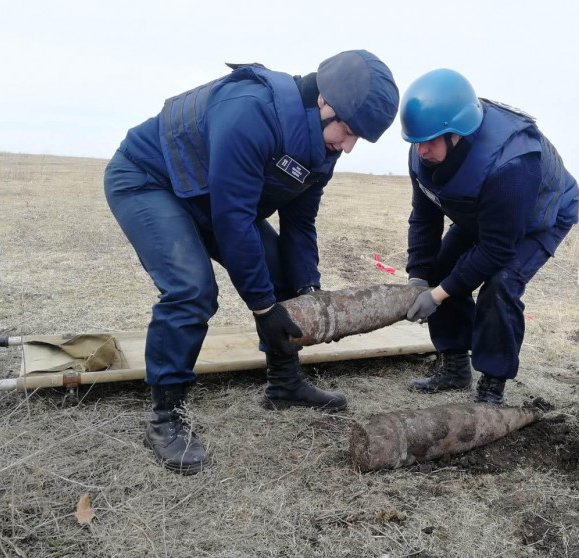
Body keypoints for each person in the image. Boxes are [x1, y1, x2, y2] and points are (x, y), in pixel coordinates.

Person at [104, 50, 399, 474]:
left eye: (359, 139)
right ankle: (166, 416)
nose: (349, 146)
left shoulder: (324, 146)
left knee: (281, 272)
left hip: (213, 198)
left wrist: (307, 293)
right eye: (348, 131)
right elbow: (233, 218)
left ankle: (284, 383)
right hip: (151, 179)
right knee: (192, 289)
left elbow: (300, 223)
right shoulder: (250, 111)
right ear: (323, 103)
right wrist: (262, 308)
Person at [400, 69, 579, 405]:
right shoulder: (423, 150)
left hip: (538, 219)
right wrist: (419, 277)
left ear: (458, 134)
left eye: (430, 141)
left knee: (500, 283)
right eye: (415, 142)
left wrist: (437, 296)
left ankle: (493, 383)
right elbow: (424, 217)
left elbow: (497, 249)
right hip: (486, 213)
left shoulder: (512, 163)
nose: (421, 150)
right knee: (441, 268)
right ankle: (454, 366)